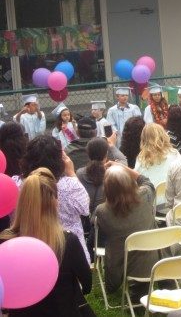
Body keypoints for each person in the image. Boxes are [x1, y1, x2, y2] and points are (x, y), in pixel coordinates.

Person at [0, 168, 92, 317]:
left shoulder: (5, 242)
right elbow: (87, 284)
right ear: (54, 203)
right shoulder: (68, 241)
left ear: (22, 203)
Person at [17, 135, 91, 262]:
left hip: (31, 249)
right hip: (69, 251)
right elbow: (84, 208)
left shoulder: (20, 185)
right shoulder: (70, 185)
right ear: (58, 159)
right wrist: (72, 173)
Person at [95, 165, 157, 297]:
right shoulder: (145, 195)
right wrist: (122, 167)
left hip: (123, 265)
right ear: (130, 183)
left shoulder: (102, 211)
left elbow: (96, 227)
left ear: (107, 189)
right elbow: (145, 180)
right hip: (153, 261)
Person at [134, 123, 181, 191]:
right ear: (164, 135)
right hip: (173, 197)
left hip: (152, 199)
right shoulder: (174, 153)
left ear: (143, 139)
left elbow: (137, 181)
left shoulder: (141, 158)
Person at [76, 137, 111, 216]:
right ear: (106, 154)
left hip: (85, 219)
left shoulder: (79, 174)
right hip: (103, 219)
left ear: (88, 154)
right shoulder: (111, 176)